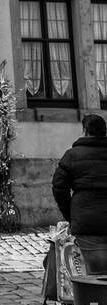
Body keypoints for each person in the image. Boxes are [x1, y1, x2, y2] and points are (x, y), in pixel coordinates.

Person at [52, 113, 107, 273]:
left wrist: (70, 213)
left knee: (93, 273)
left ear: (85, 131)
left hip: (86, 221)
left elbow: (59, 187)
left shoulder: (72, 155)